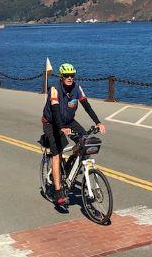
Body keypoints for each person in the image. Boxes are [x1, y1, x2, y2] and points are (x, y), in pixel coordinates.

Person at [41, 63, 106, 206]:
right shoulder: (54, 89)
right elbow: (55, 110)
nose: (70, 78)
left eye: (72, 75)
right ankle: (58, 192)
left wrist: (98, 122)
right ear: (61, 76)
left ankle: (71, 163)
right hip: (51, 123)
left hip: (69, 121)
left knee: (85, 141)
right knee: (56, 154)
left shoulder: (77, 88)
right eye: (67, 76)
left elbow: (86, 105)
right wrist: (61, 128)